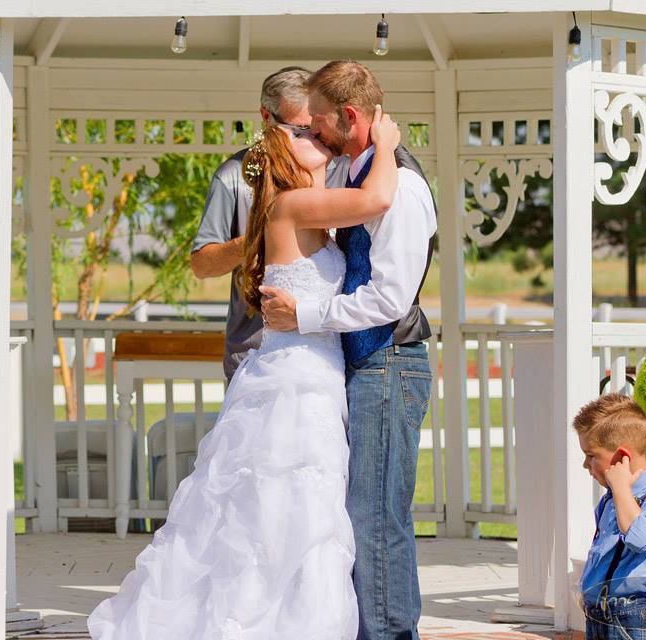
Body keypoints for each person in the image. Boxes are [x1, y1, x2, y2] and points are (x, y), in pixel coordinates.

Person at [88, 109, 403, 639]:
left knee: (303, 508)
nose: (314, 136)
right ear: (283, 159)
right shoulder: (288, 204)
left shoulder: (313, 217)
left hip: (315, 374)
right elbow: (376, 199)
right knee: (285, 506)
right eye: (300, 135)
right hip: (293, 381)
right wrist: (389, 145)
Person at [261, 60, 437, 640]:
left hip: (390, 361)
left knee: (378, 515)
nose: (312, 134)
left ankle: (390, 634)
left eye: (317, 125)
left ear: (351, 117)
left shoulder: (401, 188)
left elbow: (388, 298)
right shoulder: (353, 175)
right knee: (357, 515)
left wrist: (305, 313)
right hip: (358, 366)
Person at [191, 66, 348, 382]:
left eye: (317, 127)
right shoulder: (233, 176)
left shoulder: (340, 168)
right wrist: (266, 234)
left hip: (331, 354)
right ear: (266, 116)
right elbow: (202, 265)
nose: (313, 139)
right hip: (253, 355)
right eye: (299, 129)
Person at [575, 393, 646, 640]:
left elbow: (638, 538)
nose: (585, 464)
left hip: (632, 619)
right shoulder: (609, 500)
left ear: (621, 456)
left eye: (591, 455)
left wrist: (620, 487)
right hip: (599, 615)